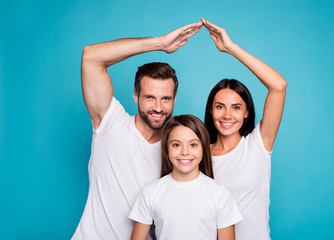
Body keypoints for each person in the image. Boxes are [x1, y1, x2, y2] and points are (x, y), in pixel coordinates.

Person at [72, 21, 203, 240]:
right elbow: (91, 57)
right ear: (136, 95)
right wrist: (160, 43)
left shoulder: (179, 153)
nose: (159, 108)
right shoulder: (110, 122)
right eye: (150, 97)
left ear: (174, 99)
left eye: (166, 99)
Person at [202, 18, 287, 240]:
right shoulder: (197, 155)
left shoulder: (258, 145)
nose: (227, 115)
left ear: (247, 112)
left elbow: (278, 86)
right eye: (220, 107)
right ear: (211, 111)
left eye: (236, 107)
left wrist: (231, 48)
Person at [129, 115, 243, 240]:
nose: (184, 152)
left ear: (204, 149)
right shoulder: (150, 192)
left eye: (193, 145)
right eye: (176, 145)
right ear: (167, 149)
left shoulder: (220, 194)